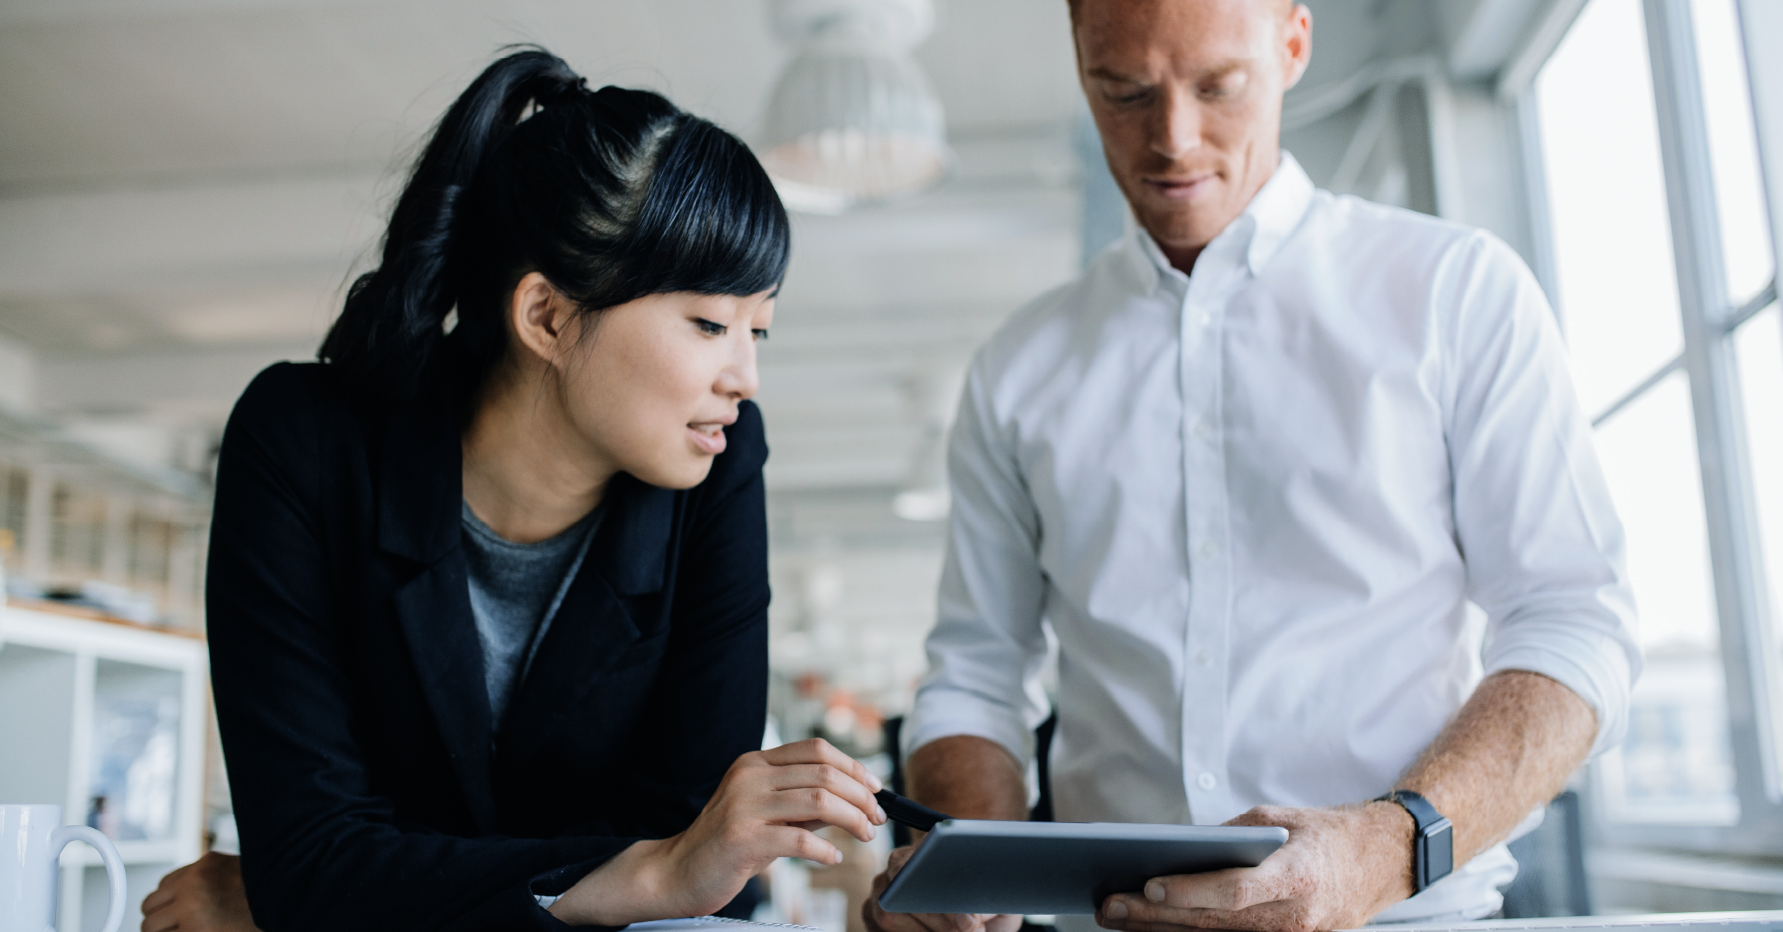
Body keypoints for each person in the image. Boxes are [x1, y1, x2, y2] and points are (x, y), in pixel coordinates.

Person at [863, 2, 1640, 931]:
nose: (1172, 138)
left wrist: (1385, 849)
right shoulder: (1018, 367)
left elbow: (1572, 621)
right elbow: (977, 676)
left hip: (1398, 921)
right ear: (1079, 63)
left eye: (1216, 85)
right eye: (1125, 92)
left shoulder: (1454, 292)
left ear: (1293, 44)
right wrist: (968, 867)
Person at [139, 48, 887, 932]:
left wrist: (317, 898)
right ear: (546, 315)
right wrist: (644, 879)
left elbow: (698, 848)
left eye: (758, 329)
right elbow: (310, 859)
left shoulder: (717, 462)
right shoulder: (303, 442)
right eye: (710, 323)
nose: (745, 377)